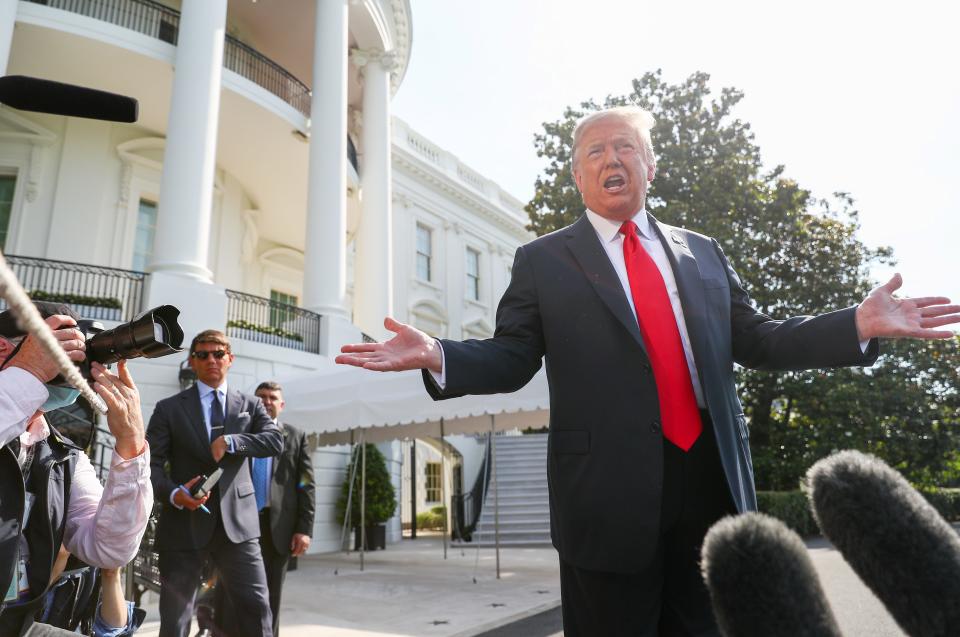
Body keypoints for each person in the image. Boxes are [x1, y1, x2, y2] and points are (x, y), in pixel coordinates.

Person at [336, 106, 960, 635]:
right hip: (605, 497)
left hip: (708, 484)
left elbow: (761, 339)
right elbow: (512, 355)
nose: (613, 158)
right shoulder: (543, 261)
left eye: (626, 147)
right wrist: (440, 352)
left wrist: (855, 323)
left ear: (650, 165)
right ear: (577, 174)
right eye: (596, 150)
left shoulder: (703, 253)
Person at [0, 302, 152, 635]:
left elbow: (110, 548)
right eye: (56, 345)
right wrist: (27, 373)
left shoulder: (61, 456)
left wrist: (131, 446)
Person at [146, 330, 282, 637]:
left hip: (238, 526)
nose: (211, 360)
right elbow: (149, 466)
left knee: (257, 608)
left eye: (218, 354)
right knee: (175, 618)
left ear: (230, 359)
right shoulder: (169, 408)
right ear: (192, 362)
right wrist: (175, 494)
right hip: (183, 525)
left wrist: (233, 441)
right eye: (203, 354)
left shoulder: (251, 404)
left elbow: (275, 441)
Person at [216, 381, 315, 637]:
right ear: (254, 403)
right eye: (262, 397)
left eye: (273, 398)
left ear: (281, 405)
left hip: (277, 529)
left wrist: (304, 529)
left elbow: (306, 485)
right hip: (237, 523)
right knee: (229, 593)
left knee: (271, 596)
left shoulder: (296, 436)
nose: (267, 401)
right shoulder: (238, 434)